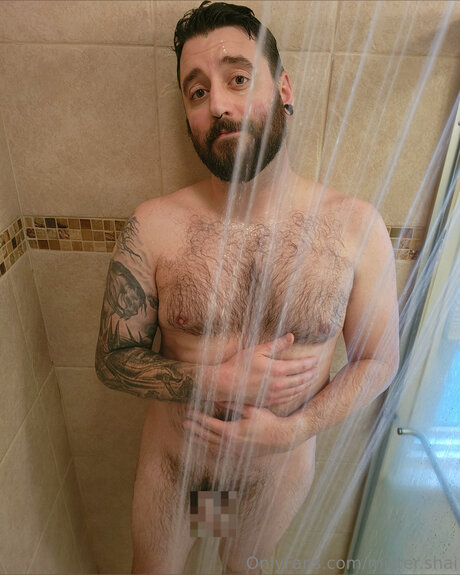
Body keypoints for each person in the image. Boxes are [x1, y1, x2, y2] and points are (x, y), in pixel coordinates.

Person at [95, 2, 399, 573]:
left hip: (272, 476)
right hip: (176, 470)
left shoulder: (356, 227)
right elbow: (112, 360)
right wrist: (212, 379)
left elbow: (380, 361)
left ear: (284, 88)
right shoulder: (154, 226)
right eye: (197, 92)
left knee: (244, 567)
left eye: (238, 78)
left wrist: (296, 428)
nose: (218, 104)